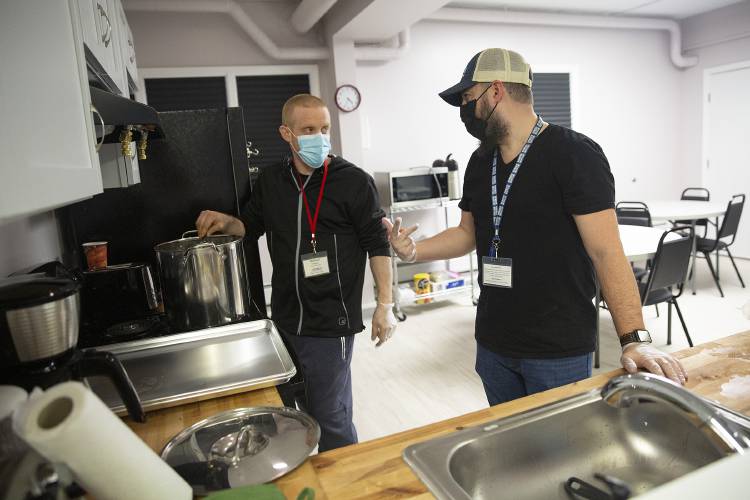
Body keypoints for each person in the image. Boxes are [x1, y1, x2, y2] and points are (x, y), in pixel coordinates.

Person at [385, 48, 687, 406]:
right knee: (511, 450)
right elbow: (467, 232)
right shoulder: (481, 161)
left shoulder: (575, 155)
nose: (465, 110)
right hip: (493, 343)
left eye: (468, 98)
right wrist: (415, 250)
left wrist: (634, 338)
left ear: (495, 91)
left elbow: (606, 252)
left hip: (555, 348)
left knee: (558, 454)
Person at [196, 94, 397, 451]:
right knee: (290, 414)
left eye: (324, 129)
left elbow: (376, 243)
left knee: (330, 415)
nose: (319, 137)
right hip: (286, 319)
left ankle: (344, 483)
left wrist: (385, 304)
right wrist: (227, 222)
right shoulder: (272, 181)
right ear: (286, 133)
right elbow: (249, 227)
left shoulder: (353, 181)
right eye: (308, 130)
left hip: (331, 320)